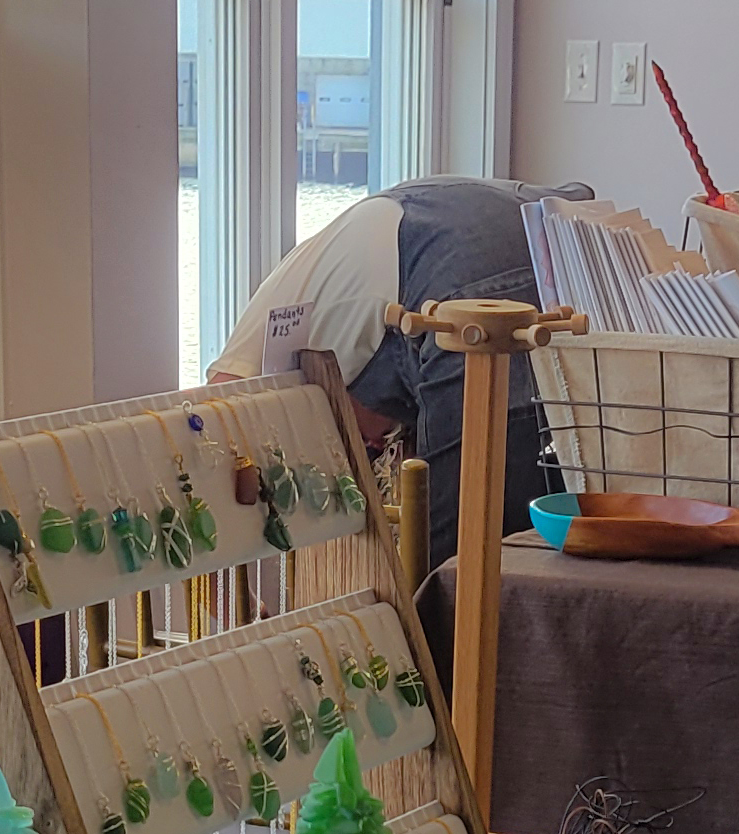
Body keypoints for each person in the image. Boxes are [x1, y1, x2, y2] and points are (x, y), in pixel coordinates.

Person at [208, 178, 576, 566]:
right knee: (552, 519)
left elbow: (209, 438)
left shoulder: (243, 372)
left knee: (452, 558)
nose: (379, 444)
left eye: (371, 447)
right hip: (551, 232)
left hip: (447, 267)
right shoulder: (313, 293)